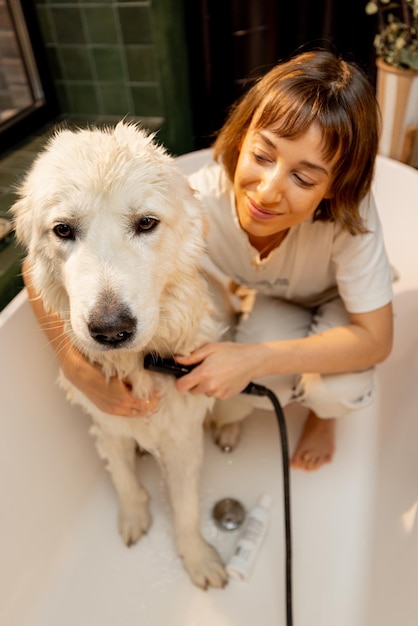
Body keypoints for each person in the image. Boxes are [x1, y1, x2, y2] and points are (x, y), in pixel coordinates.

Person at [23, 50, 393, 471]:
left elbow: (376, 340)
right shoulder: (195, 200)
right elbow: (34, 267)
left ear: (335, 184)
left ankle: (323, 418)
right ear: (243, 137)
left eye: (304, 177)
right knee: (239, 377)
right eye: (263, 156)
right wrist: (74, 366)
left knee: (336, 388)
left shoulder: (352, 219)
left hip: (336, 301)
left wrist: (255, 359)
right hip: (270, 297)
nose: (268, 191)